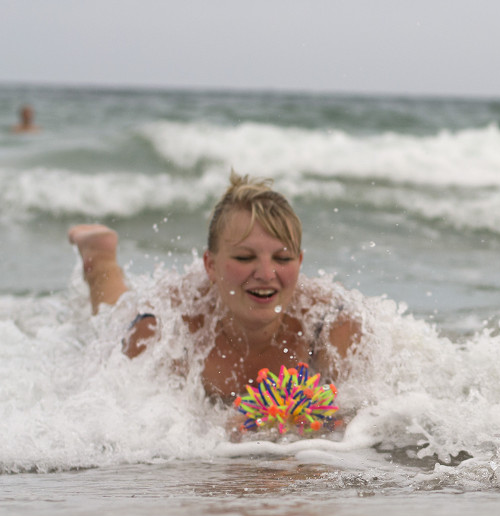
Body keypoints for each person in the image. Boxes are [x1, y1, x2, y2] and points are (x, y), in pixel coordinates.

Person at [68, 172, 360, 410]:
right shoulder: (169, 324)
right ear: (210, 264)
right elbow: (133, 419)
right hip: (166, 311)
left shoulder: (327, 326)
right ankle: (99, 254)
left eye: (282, 259)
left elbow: (362, 420)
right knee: (108, 315)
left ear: (299, 262)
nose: (266, 275)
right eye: (244, 258)